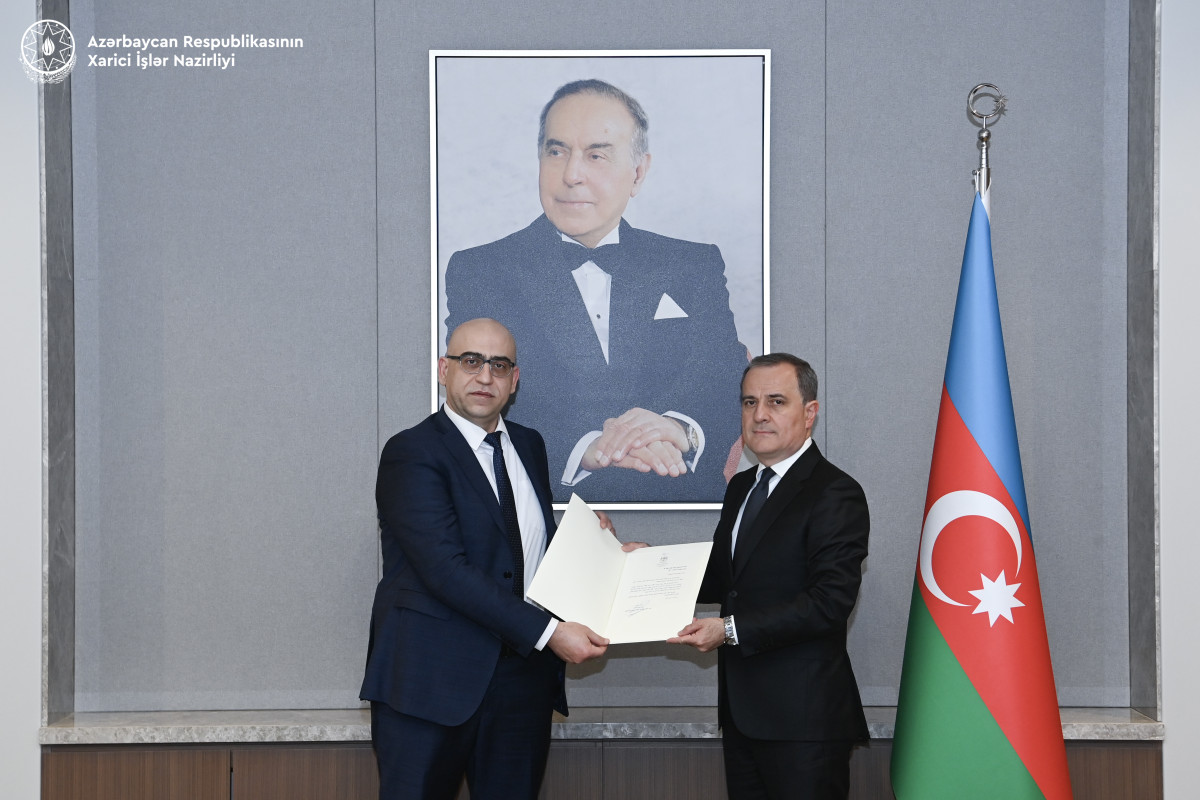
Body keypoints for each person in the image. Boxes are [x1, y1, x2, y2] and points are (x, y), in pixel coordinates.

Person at [445, 78, 750, 504]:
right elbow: (475, 393)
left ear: (638, 172)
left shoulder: (693, 264)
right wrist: (586, 449)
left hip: (687, 504)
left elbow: (723, 371)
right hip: (543, 507)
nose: (572, 175)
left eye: (596, 155)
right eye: (556, 152)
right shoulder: (481, 271)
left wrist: (677, 428)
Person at [360, 318, 629, 800]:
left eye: (499, 365)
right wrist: (549, 633)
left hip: (521, 684)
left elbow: (520, 549)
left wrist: (603, 553)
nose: (485, 376)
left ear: (515, 379)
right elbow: (445, 570)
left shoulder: (529, 444)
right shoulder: (412, 452)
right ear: (444, 370)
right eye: (471, 361)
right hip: (431, 684)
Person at [669, 353, 870, 799]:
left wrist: (728, 629)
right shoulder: (742, 487)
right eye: (749, 402)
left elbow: (829, 604)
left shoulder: (835, 492)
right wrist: (645, 563)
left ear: (809, 413)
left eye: (776, 401)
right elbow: (724, 577)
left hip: (805, 723)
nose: (759, 414)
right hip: (743, 717)